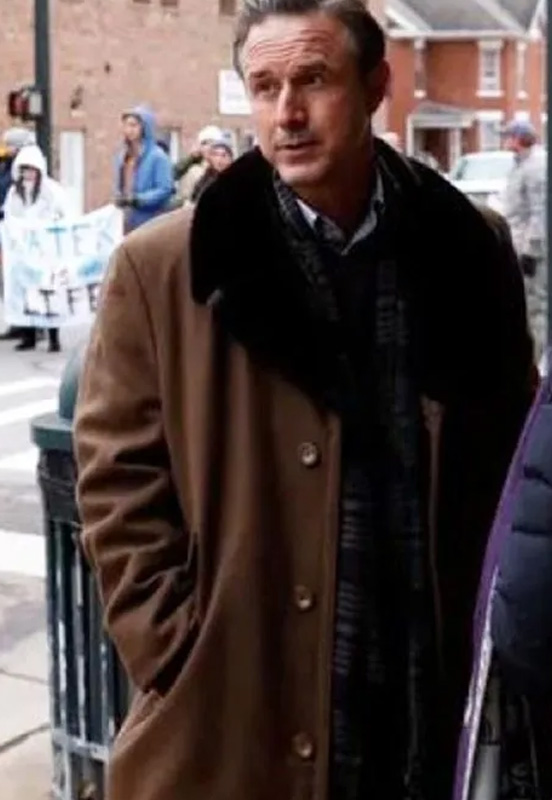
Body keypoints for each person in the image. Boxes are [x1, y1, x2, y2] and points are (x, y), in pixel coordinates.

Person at [74, 2, 533, 799]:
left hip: (422, 693)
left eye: (313, 80)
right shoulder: (163, 268)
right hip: (234, 713)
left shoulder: (470, 247)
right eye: (265, 86)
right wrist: (173, 648)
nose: (286, 113)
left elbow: (514, 462)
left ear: (375, 87)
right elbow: (117, 482)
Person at [2, 143, 67, 352]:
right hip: (24, 251)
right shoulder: (15, 193)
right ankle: (28, 336)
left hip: (47, 251)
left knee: (49, 293)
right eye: (24, 170)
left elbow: (63, 214)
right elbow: (10, 216)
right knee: (26, 293)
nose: (28, 174)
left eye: (32, 169)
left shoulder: (52, 191)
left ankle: (53, 337)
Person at [0, 127, 37, 341]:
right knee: (8, 278)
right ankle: (15, 320)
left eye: (12, 145)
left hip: (24, 233)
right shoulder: (2, 168)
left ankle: (32, 325)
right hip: (5, 229)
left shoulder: (29, 168)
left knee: (26, 278)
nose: (8, 149)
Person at [501, 119, 547, 360]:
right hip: (518, 246)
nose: (504, 140)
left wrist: (531, 251)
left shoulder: (535, 168)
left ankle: (538, 359)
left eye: (508, 135)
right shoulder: (519, 165)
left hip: (533, 252)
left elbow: (540, 211)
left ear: (519, 139)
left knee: (536, 306)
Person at [114, 106, 174, 232]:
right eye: (126, 125)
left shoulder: (157, 157)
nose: (129, 130)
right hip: (127, 220)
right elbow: (120, 185)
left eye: (134, 125)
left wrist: (139, 199)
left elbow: (165, 189)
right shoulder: (123, 157)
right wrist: (119, 198)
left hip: (151, 220)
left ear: (145, 127)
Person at [175, 124, 223, 203]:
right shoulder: (194, 171)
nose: (209, 146)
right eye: (205, 143)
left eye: (213, 142)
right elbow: (184, 200)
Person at [190, 132, 235, 202]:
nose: (219, 159)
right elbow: (194, 198)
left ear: (230, 158)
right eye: (215, 154)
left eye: (223, 155)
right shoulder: (205, 178)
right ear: (210, 158)